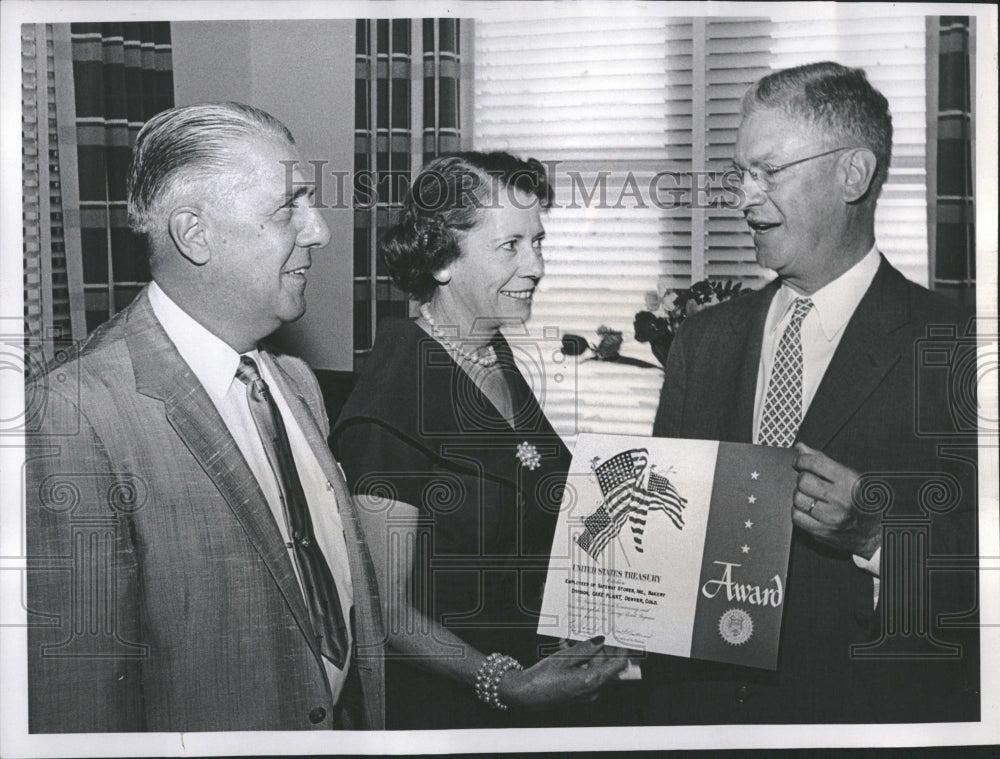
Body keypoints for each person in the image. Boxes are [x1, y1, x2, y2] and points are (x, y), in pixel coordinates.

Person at [25, 102, 384, 731]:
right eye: (288, 206)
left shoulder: (295, 383)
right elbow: (78, 701)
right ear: (195, 235)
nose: (320, 231)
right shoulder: (74, 415)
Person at [645, 62, 979, 723]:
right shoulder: (703, 341)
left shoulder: (960, 347)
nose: (743, 196)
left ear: (852, 174)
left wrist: (881, 534)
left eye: (766, 171)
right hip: (703, 715)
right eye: (740, 173)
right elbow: (662, 544)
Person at [332, 152, 627, 729]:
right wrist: (509, 684)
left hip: (540, 684)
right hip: (450, 711)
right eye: (510, 246)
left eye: (538, 243)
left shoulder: (491, 354)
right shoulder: (391, 401)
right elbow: (388, 613)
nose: (536, 266)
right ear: (441, 260)